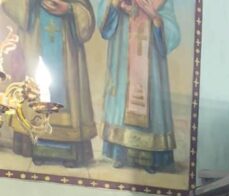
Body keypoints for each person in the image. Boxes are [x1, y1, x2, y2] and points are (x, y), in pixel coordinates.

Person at [2, 0, 97, 167]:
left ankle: (69, 151)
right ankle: (35, 146)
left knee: (66, 95)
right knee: (33, 89)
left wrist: (69, 9)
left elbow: (86, 19)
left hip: (67, 44)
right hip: (34, 38)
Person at [97, 0, 180, 172]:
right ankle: (120, 153)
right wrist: (116, 4)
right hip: (123, 46)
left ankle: (150, 158)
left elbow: (172, 29)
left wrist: (155, 18)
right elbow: (105, 16)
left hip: (151, 56)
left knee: (150, 102)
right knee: (122, 97)